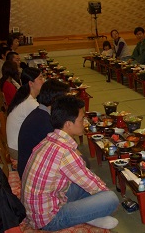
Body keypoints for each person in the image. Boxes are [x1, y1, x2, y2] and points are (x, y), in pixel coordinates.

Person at [21, 96, 119, 231]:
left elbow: (87, 179)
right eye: (81, 119)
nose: (84, 122)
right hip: (49, 220)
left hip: (39, 207)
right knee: (111, 199)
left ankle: (89, 215)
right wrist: (105, 200)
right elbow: (95, 186)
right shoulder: (65, 153)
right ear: (68, 124)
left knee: (83, 184)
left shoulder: (49, 140)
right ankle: (90, 215)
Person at [17, 79, 70, 178]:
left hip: (30, 167)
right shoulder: (44, 123)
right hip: (32, 175)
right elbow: (61, 154)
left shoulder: (40, 113)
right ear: (55, 101)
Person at [6, 67, 44, 160]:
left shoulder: (23, 96)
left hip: (15, 145)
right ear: (31, 83)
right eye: (40, 78)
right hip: (18, 150)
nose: (43, 80)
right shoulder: (30, 103)